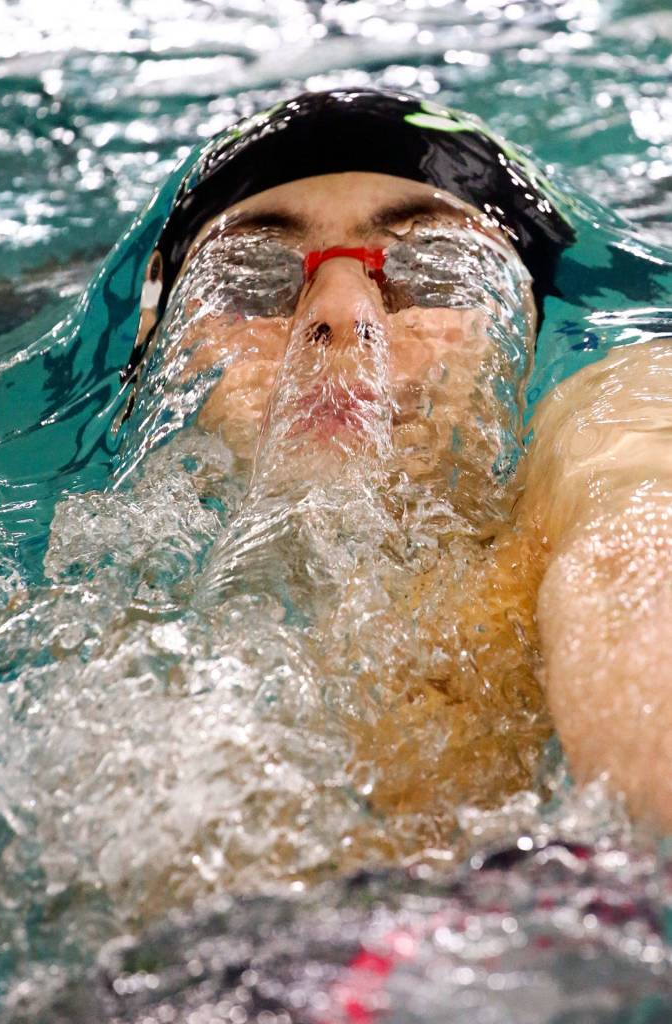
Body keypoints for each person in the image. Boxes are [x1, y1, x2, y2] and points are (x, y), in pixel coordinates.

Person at [118, 88, 671, 834]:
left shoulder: (611, 413)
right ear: (155, 343)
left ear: (535, 326)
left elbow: (636, 536)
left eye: (437, 270)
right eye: (252, 281)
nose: (341, 316)